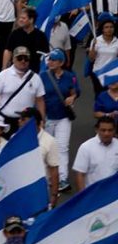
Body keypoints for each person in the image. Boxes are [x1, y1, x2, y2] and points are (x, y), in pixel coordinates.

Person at [40, 48, 78, 191]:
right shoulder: (42, 76)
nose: (50, 62)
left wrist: (72, 98)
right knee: (47, 148)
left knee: (62, 147)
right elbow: (39, 98)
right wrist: (41, 118)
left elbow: (75, 91)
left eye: (54, 60)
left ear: (61, 62)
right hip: (48, 117)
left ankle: (62, 178)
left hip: (63, 117)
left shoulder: (70, 76)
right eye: (49, 59)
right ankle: (46, 178)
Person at [0, 46, 46, 132]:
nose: (23, 61)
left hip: (25, 122)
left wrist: (42, 120)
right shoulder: (3, 75)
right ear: (13, 59)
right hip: (5, 119)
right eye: (19, 58)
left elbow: (40, 100)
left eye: (26, 58)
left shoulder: (36, 78)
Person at [71, 116, 118, 191]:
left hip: (113, 195)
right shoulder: (86, 147)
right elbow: (80, 174)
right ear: (97, 130)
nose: (106, 133)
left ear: (114, 130)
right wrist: (83, 198)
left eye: (110, 130)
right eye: (103, 130)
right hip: (93, 195)